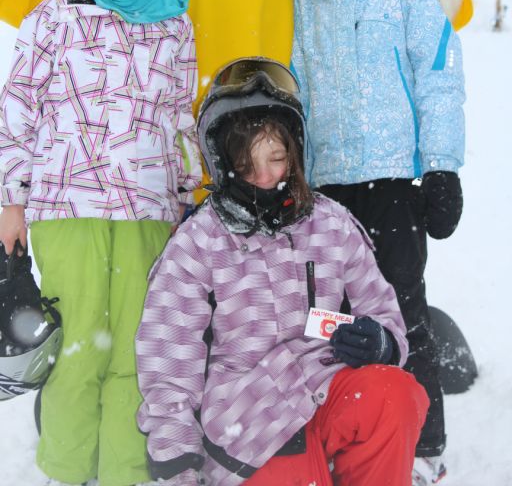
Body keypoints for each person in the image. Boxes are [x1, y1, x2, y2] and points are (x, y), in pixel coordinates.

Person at [135, 57, 429, 486]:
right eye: (247, 164)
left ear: (295, 152)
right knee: (294, 471)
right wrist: (176, 461)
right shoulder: (198, 242)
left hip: (327, 389)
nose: (265, 177)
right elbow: (169, 359)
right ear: (222, 161)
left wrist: (381, 342)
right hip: (249, 421)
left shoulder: (331, 223)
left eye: (276, 158)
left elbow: (383, 311)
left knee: (393, 395)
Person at [0, 0, 202, 486]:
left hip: (149, 210)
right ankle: (67, 471)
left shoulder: (173, 20)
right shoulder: (50, 18)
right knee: (79, 348)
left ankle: (125, 472)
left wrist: (190, 197)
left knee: (139, 350)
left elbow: (180, 117)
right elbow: (16, 113)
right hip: (67, 208)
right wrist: (11, 202)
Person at [292, 0, 465, 485]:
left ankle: (420, 442)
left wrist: (441, 167)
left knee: (401, 308)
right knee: (327, 312)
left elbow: (439, 77)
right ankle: (349, 426)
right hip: (323, 189)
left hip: (391, 184)